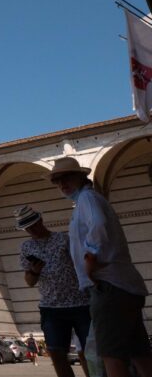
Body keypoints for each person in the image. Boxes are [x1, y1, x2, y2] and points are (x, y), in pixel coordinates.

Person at [51, 156, 152, 377]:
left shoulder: (87, 198)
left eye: (67, 178)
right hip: (124, 286)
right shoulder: (88, 200)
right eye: (57, 181)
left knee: (111, 355)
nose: (62, 184)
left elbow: (98, 224)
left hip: (108, 286)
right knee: (139, 353)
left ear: (80, 176)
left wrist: (90, 260)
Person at [14, 203, 90, 377]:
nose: (31, 230)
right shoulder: (27, 248)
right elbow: (29, 281)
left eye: (33, 225)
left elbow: (81, 265)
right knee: (56, 353)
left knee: (87, 351)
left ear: (40, 220)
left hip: (80, 303)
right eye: (26, 228)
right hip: (51, 308)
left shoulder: (64, 240)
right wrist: (34, 271)